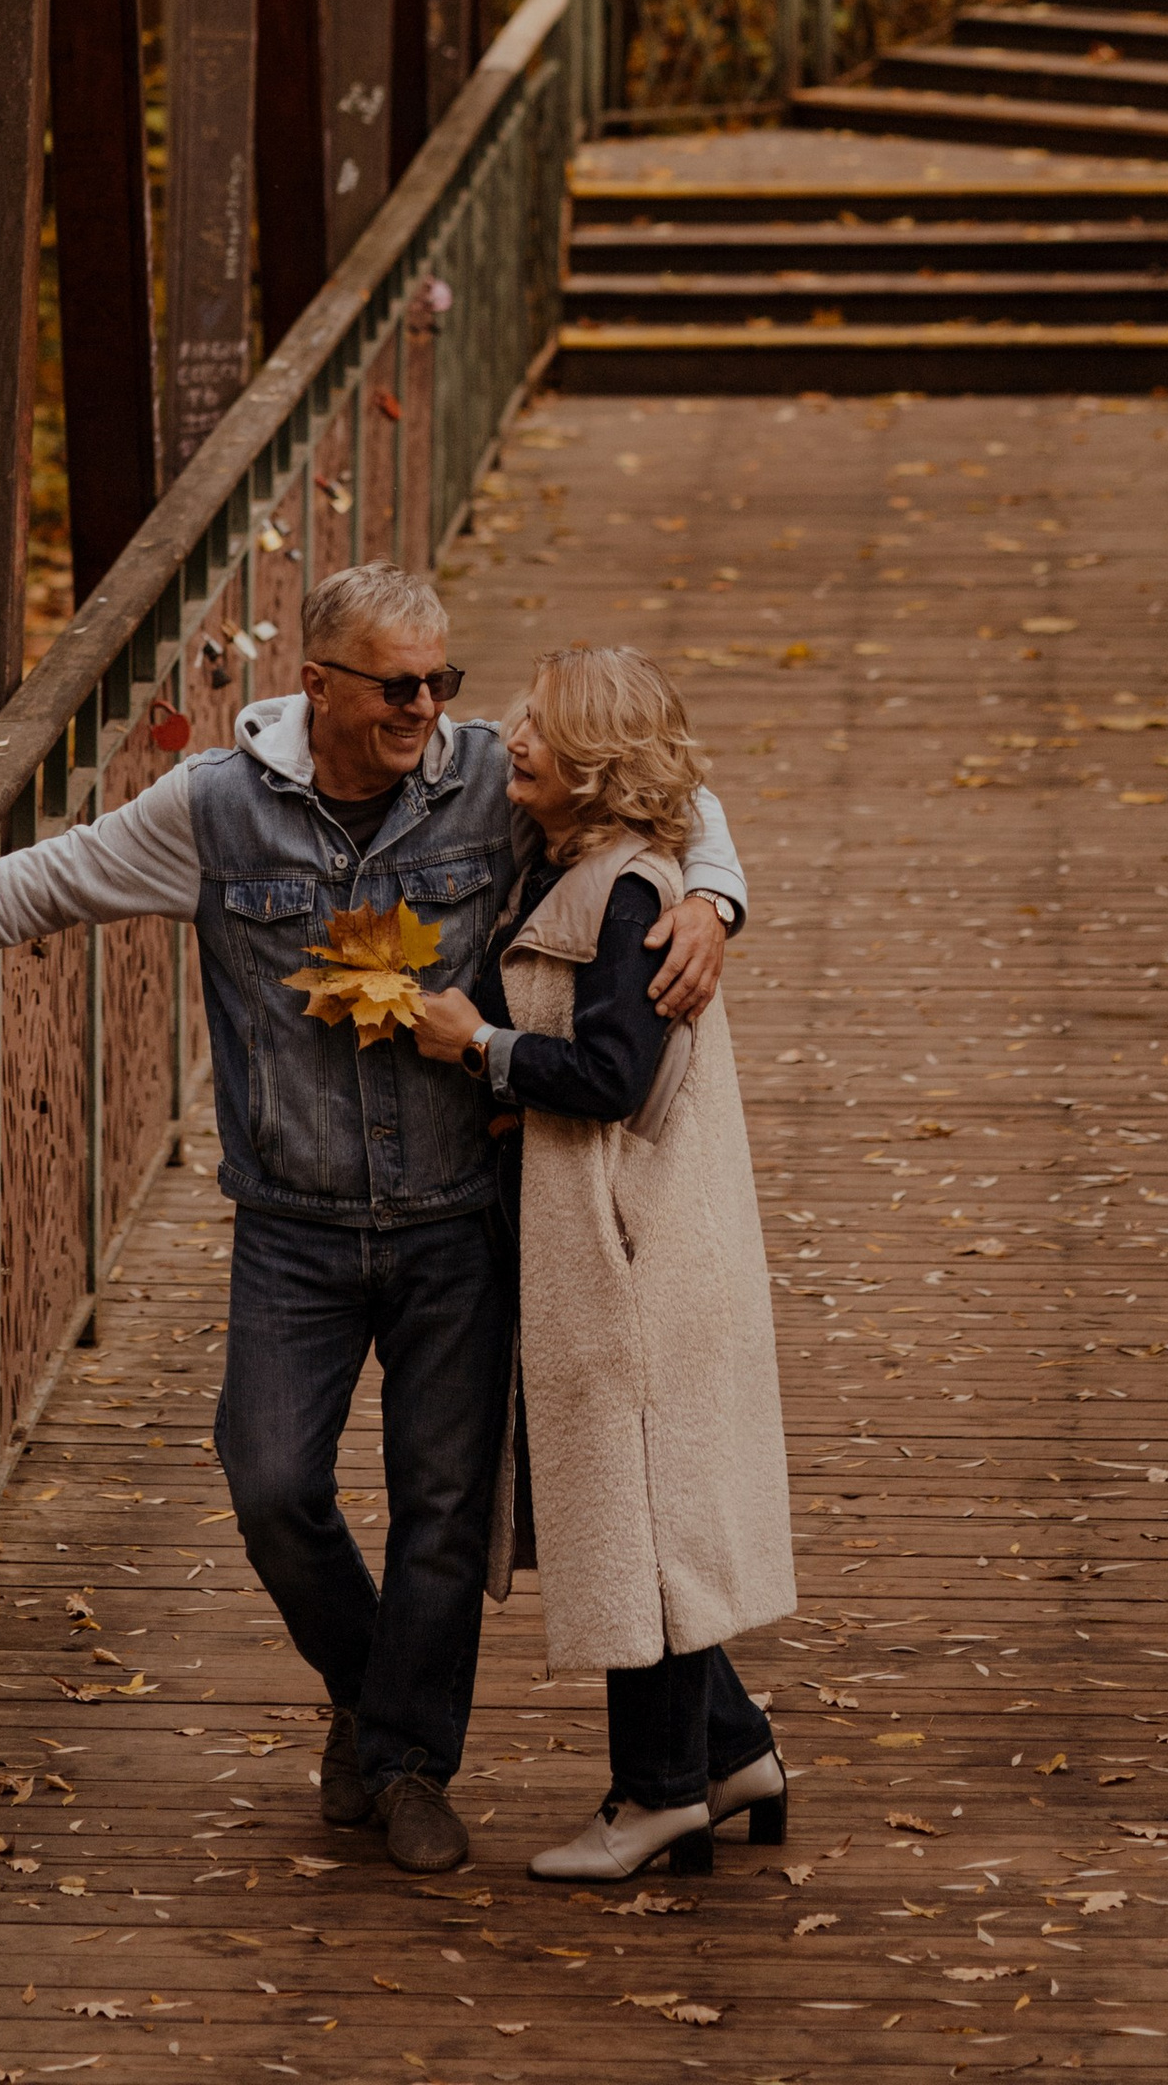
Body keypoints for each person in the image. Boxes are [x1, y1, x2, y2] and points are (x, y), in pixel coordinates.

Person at [0, 562, 747, 1878]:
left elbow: (660, 789)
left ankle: (410, 1765)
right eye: (399, 684)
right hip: (293, 1224)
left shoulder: (489, 780)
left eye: (442, 680)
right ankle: (371, 1689)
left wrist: (713, 896)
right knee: (274, 1483)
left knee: (445, 1505)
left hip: (456, 1213)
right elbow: (55, 875)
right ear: (321, 684)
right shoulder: (217, 809)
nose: (429, 707)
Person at [411, 644, 795, 1882]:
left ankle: (660, 1794)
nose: (505, 736)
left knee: (638, 1520)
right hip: (619, 1237)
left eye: (536, 724)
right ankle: (731, 1747)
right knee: (648, 1508)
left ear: (591, 767)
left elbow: (617, 1078)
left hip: (634, 1249)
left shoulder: (624, 896)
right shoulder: (590, 866)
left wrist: (481, 1051)